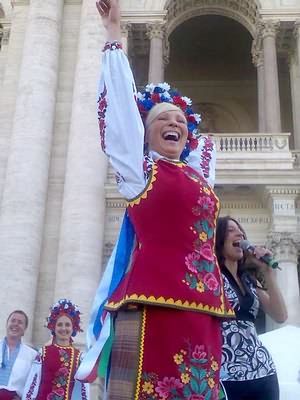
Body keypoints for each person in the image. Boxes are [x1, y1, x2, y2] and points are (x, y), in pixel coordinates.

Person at [76, 1, 234, 399]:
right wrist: (113, 35)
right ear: (145, 132)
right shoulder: (140, 171)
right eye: (163, 118)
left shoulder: (199, 176)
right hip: (152, 301)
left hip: (206, 306)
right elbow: (121, 116)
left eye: (181, 121)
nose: (175, 123)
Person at [215, 216, 288, 400]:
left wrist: (267, 272)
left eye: (240, 230)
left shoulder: (248, 280)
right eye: (231, 230)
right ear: (218, 239)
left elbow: (280, 315)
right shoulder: (211, 276)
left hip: (262, 369)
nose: (239, 232)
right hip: (226, 373)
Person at [22, 299, 89, 400]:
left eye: (67, 325)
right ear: (53, 327)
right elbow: (33, 383)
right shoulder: (43, 352)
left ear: (73, 327)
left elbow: (84, 391)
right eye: (59, 324)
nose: (63, 328)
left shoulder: (79, 357)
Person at [0, 310, 37, 400]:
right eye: (13, 320)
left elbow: (33, 384)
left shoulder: (33, 355)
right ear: (7, 324)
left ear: (24, 329)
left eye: (20, 322)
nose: (15, 324)